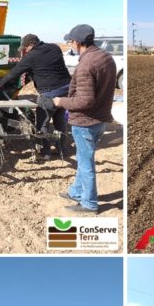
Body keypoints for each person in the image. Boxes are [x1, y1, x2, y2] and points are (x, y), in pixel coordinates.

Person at [53, 25, 117, 213]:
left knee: (85, 163)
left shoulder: (86, 65)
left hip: (85, 121)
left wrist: (60, 101)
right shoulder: (106, 57)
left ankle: (89, 203)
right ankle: (76, 191)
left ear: (78, 42)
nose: (70, 44)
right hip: (100, 119)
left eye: (71, 41)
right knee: (83, 158)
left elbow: (85, 100)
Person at [0, 33, 73, 158]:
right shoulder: (55, 48)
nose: (25, 51)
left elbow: (14, 72)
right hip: (66, 90)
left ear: (31, 44)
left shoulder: (31, 57)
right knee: (60, 121)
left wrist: (0, 84)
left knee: (42, 124)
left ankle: (45, 152)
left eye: (25, 48)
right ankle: (62, 150)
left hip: (49, 94)